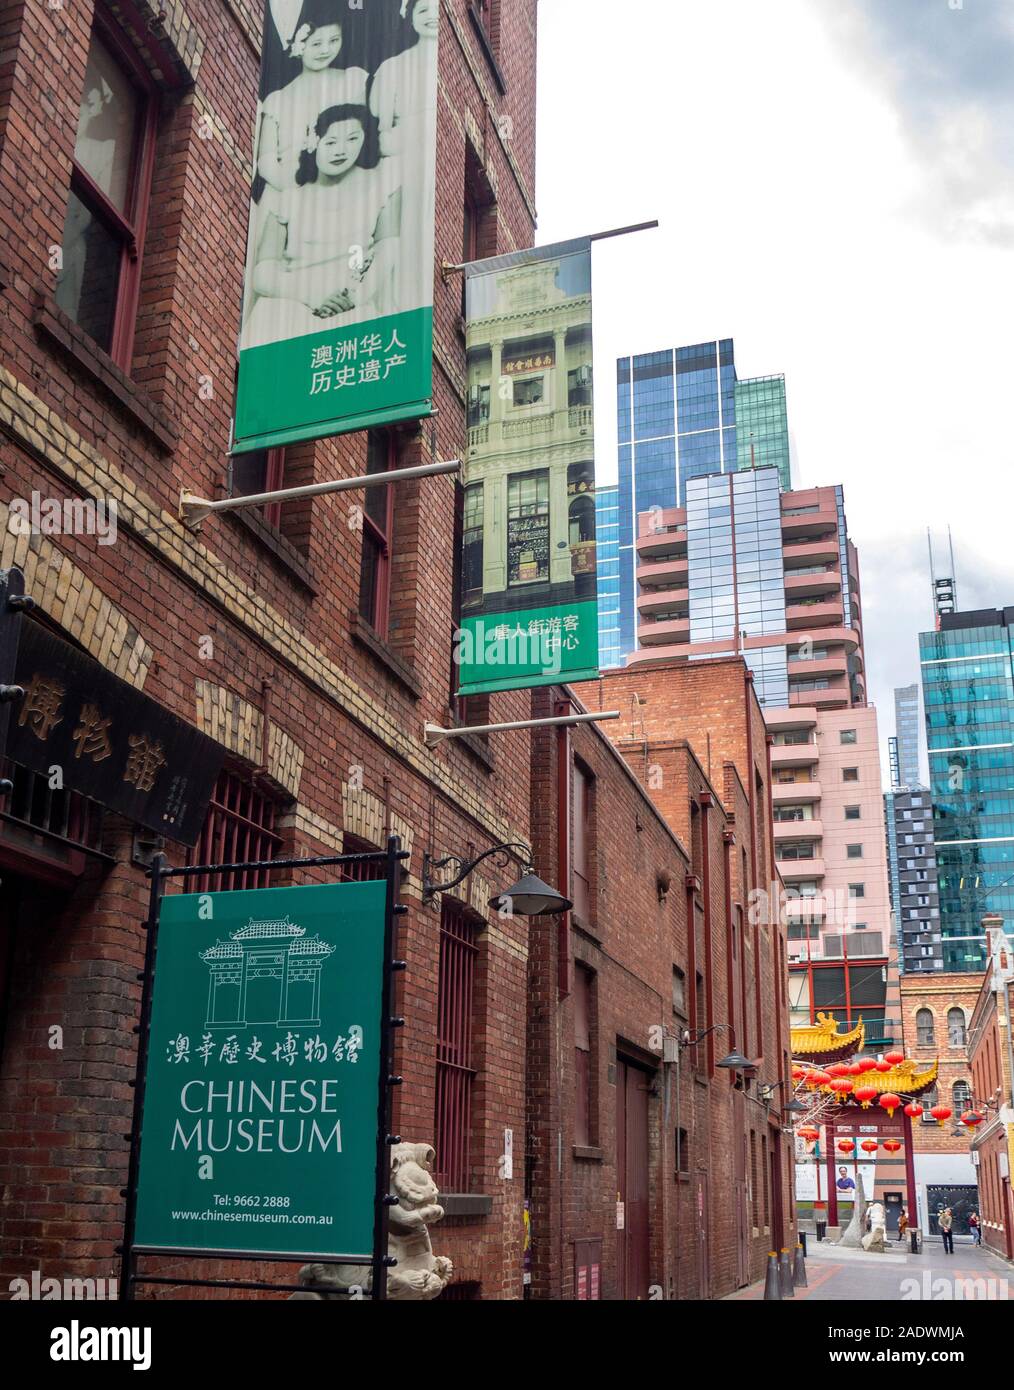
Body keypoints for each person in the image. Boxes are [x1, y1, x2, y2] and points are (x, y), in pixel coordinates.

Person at [243, 104, 401, 348]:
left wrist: (355, 298)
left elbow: (389, 249)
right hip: (288, 309)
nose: (341, 150)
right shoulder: (289, 199)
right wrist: (311, 295)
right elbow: (263, 272)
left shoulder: (381, 186)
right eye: (331, 142)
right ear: (314, 142)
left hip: (349, 310)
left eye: (352, 139)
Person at [257, 6, 369, 192]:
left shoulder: (354, 80)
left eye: (334, 40)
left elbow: (366, 134)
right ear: (298, 46)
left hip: (345, 183)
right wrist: (296, 192)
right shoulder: (277, 100)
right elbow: (266, 160)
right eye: (316, 44)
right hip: (289, 189)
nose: (325, 50)